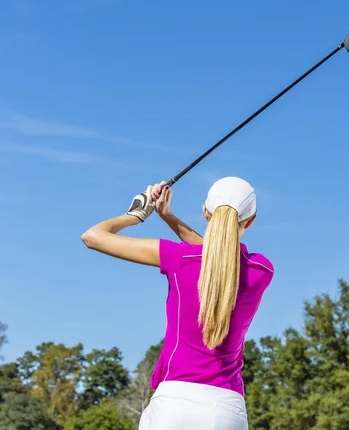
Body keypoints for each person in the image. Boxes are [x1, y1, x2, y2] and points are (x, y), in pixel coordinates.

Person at [81, 176, 274, 429]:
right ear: (251, 220)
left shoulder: (179, 258)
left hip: (173, 406)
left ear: (205, 212)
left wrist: (137, 214)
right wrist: (169, 218)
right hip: (226, 411)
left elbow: (93, 236)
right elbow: (216, 257)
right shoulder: (261, 270)